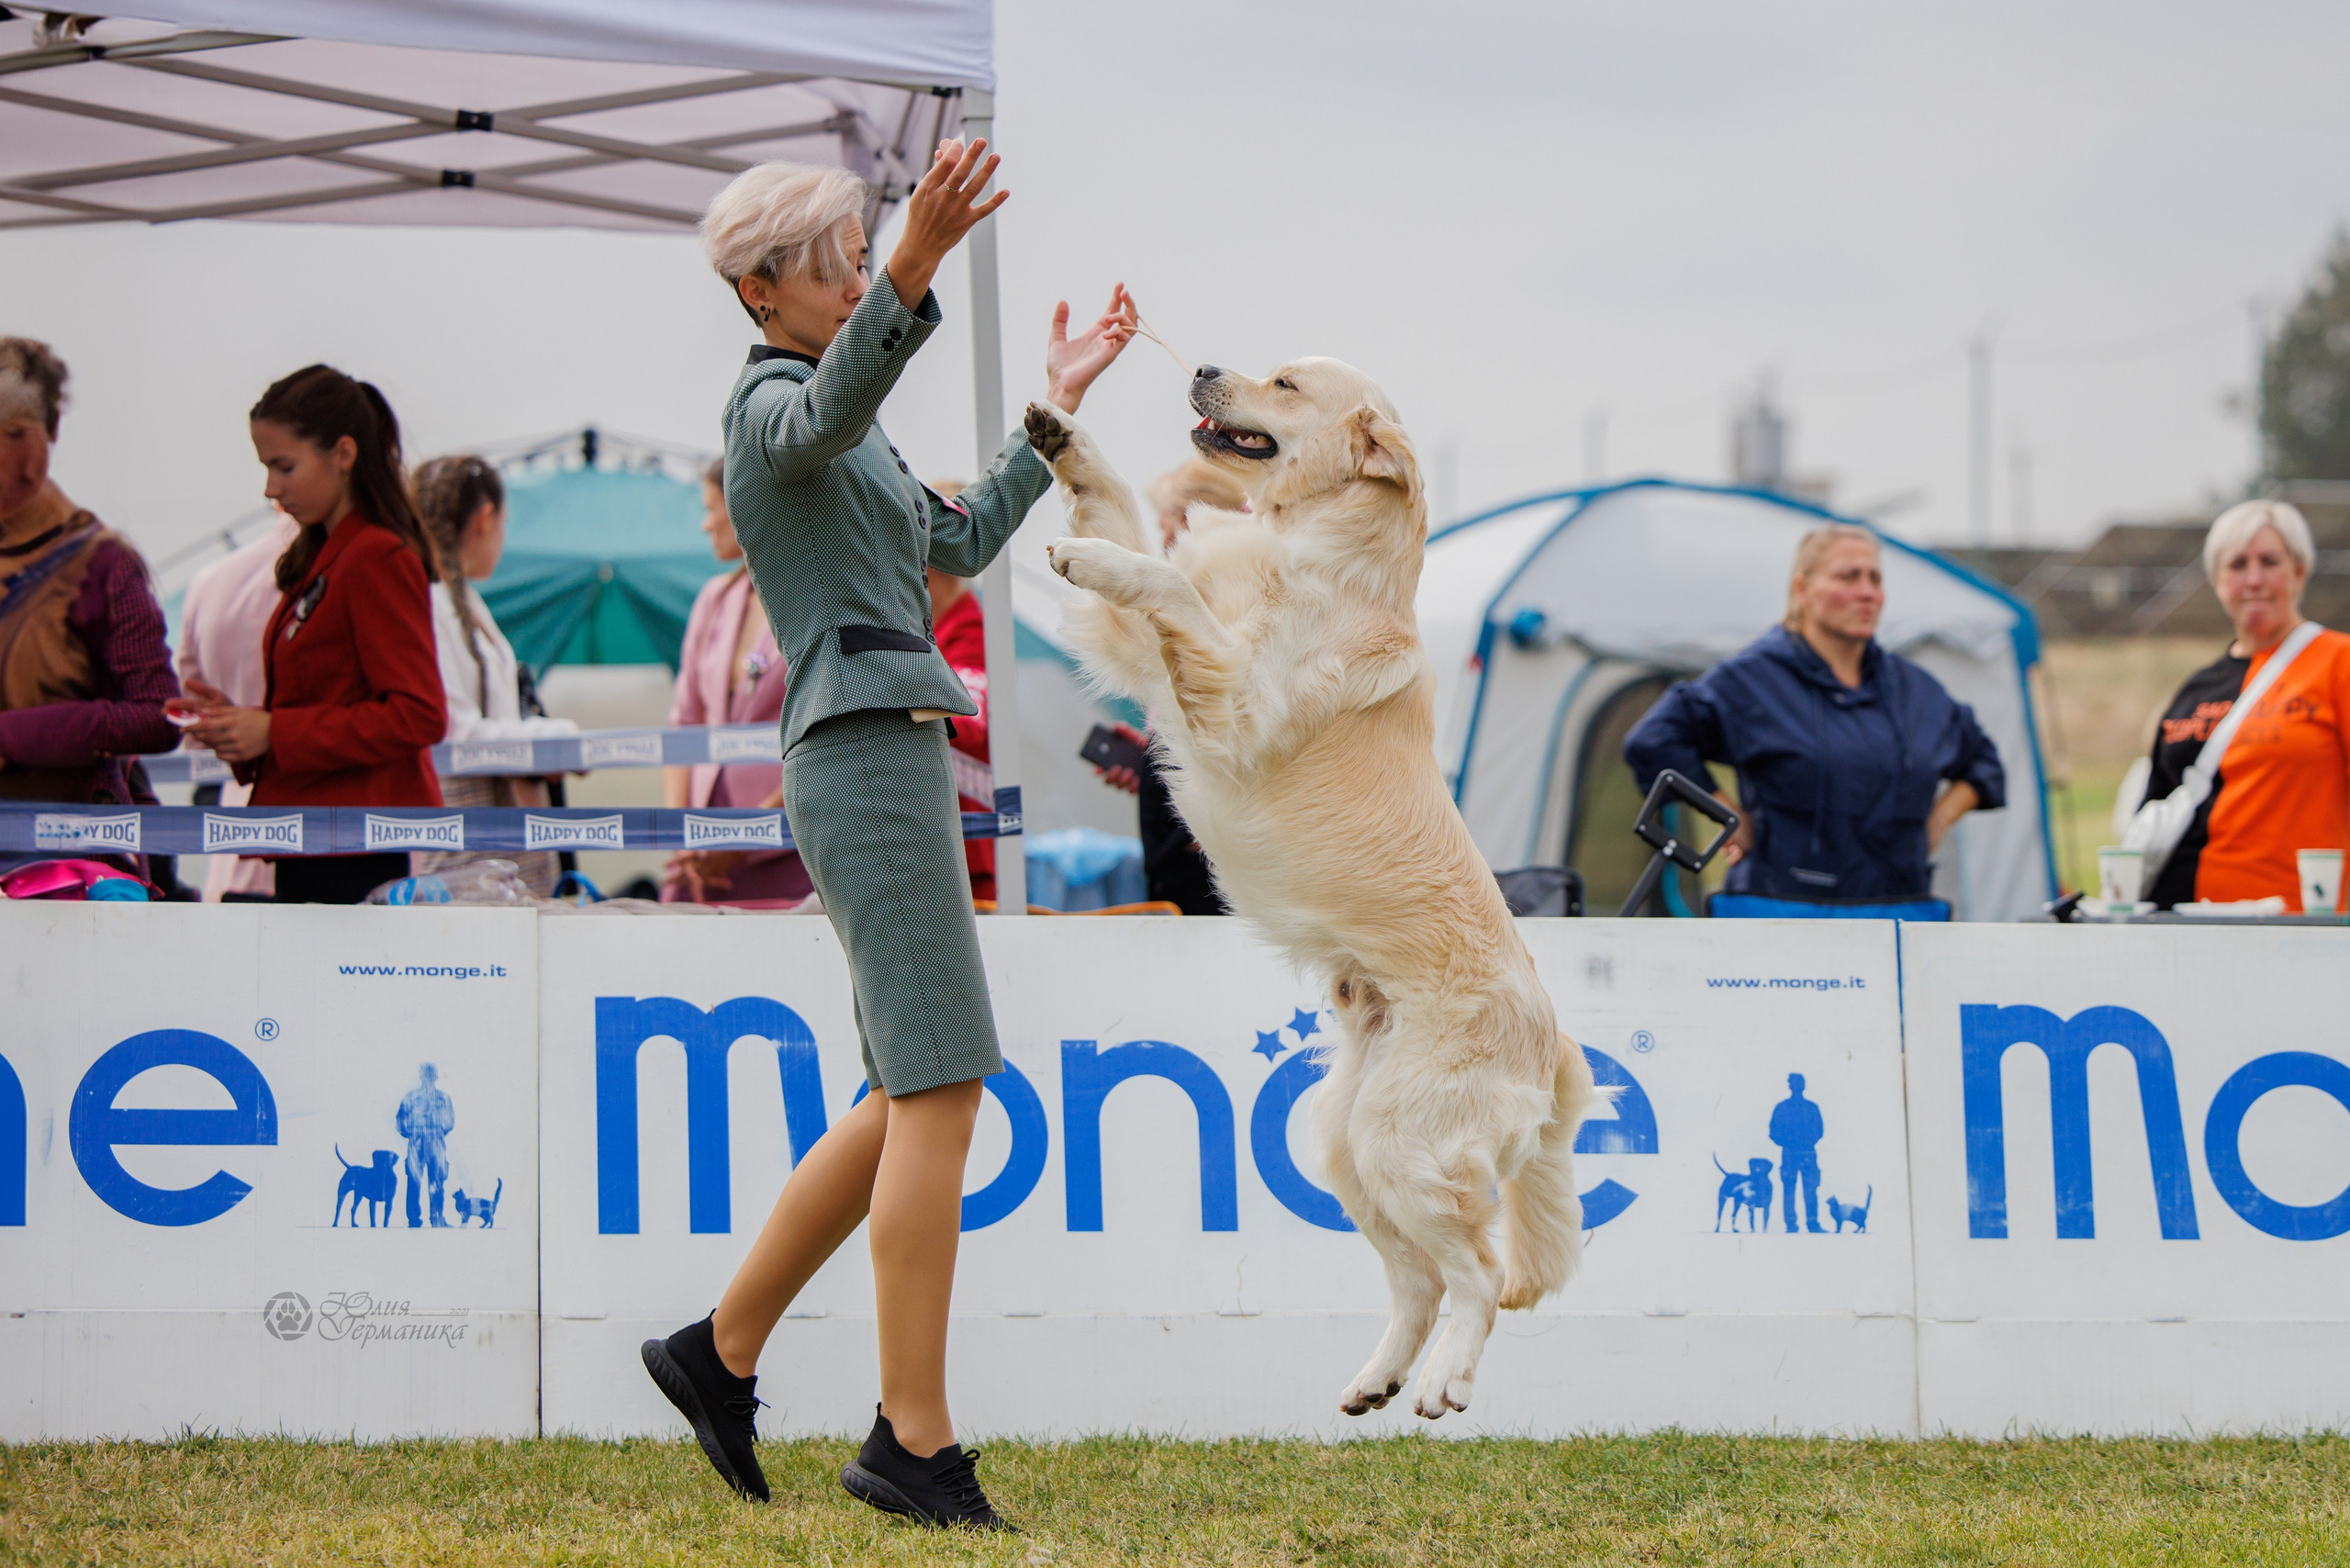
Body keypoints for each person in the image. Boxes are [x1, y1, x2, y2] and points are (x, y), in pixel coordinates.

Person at [635, 143, 1136, 1532]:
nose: (862, 271)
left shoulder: (829, 415)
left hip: (879, 750)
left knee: (909, 1091)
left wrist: (1054, 409)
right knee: (942, 1088)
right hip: (862, 753)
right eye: (839, 258)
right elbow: (827, 412)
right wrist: (913, 268)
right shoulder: (770, 412)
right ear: (761, 289)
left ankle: (717, 1350)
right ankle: (909, 1442)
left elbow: (962, 541)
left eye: (867, 251)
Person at [1623, 524, 2005, 910]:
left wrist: (1940, 818)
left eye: (1875, 579)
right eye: (1848, 576)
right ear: (1802, 589)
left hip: (1901, 911)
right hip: (1782, 910)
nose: (1867, 592)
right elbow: (1654, 740)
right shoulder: (1752, 680)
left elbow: (1983, 762)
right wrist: (1728, 815)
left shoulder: (1915, 691)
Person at [183, 365, 448, 905]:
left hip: (352, 845)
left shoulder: (375, 557)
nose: (270, 489)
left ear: (344, 454)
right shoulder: (329, 558)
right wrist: (240, 729)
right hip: (319, 838)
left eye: (284, 467)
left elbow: (419, 714)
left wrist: (275, 731)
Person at [0, 337, 179, 876]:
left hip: (64, 858)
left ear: (52, 432)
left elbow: (156, 716)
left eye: (15, 434)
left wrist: (14, 736)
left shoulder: (103, 565)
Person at [2142, 499, 2350, 911]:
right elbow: (2154, 802)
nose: (2254, 579)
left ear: (2299, 571)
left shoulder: (2337, 662)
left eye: (2269, 561)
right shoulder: (2196, 688)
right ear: (2217, 579)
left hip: (2295, 920)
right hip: (2182, 920)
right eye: (2237, 565)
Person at [1087, 459, 1248, 914]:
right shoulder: (1204, 614)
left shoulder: (1230, 614)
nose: (1162, 546)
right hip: (1180, 853)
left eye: (1165, 529)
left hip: (1204, 864)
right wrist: (1147, 761)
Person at [412, 454, 575, 898]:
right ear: (486, 519)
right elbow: (453, 733)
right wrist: (556, 739)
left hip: (489, 847)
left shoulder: (459, 603)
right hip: (467, 853)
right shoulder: (433, 608)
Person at [661, 457, 809, 905]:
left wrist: (746, 836)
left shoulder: (814, 595)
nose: (705, 525)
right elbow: (683, 723)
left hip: (789, 844)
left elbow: (827, 735)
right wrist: (679, 832)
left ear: (744, 505)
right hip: (700, 848)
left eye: (710, 508)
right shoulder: (714, 598)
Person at [176, 510, 301, 901]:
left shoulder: (207, 582)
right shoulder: (359, 572)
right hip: (333, 831)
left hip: (237, 838)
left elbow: (194, 725)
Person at [925, 478, 996, 904]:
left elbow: (971, 720)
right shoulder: (935, 626)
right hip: (939, 844)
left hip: (966, 855)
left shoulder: (969, 627)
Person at [397, 1062, 454, 1229]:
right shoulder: (414, 1097)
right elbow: (400, 1121)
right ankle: (419, 1219)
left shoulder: (440, 1098)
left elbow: (450, 1122)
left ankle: (432, 1218)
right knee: (418, 1180)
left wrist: (416, 1131)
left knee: (433, 1180)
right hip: (422, 1142)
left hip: (430, 1142)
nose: (428, 1077)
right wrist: (413, 1132)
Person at [1768, 1072, 1825, 1234]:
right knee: (1789, 1189)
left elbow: (1819, 1130)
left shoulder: (1811, 1108)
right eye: (1796, 1083)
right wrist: (1788, 1143)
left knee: (1811, 1189)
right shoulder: (1782, 1108)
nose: (1798, 1086)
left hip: (1806, 1153)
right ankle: (1791, 1225)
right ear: (1791, 1085)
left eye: (1800, 1083)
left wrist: (1806, 1143)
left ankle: (1812, 1223)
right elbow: (1773, 1132)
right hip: (1790, 1154)